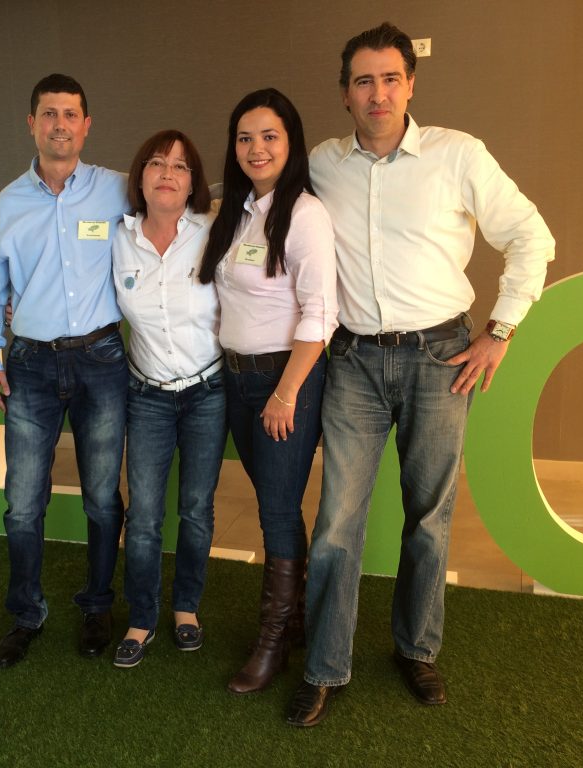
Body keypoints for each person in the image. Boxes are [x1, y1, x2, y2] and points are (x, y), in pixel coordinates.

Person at [286, 23, 555, 726]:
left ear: (410, 85)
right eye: (363, 81)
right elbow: (258, 207)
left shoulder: (457, 154)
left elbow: (531, 236)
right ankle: (324, 667)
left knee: (429, 517)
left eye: (390, 79)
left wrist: (500, 330)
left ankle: (416, 648)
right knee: (336, 522)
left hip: (441, 360)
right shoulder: (321, 164)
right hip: (353, 362)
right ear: (345, 93)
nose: (377, 93)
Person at [0, 73, 128, 668]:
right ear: (31, 124)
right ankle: (26, 614)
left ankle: (97, 606)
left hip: (101, 360)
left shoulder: (117, 189)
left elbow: (172, 223)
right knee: (22, 503)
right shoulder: (8, 203)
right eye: (49, 114)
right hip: (30, 365)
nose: (60, 124)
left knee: (103, 499)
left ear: (87, 125)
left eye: (70, 114)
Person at [199, 88, 338, 694]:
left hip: (285, 380)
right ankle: (296, 618)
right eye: (245, 137)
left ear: (291, 143)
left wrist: (285, 394)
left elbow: (321, 311)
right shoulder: (234, 211)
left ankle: (273, 640)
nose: (256, 148)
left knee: (276, 509)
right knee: (274, 500)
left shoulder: (304, 213)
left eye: (269, 136)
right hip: (236, 378)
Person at [110, 130, 225, 668]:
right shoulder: (118, 238)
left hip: (208, 391)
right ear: (140, 176)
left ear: (192, 182)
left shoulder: (213, 232)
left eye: (180, 167)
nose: (167, 174)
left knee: (196, 509)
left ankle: (186, 608)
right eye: (156, 163)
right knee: (145, 514)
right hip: (146, 395)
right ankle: (141, 616)